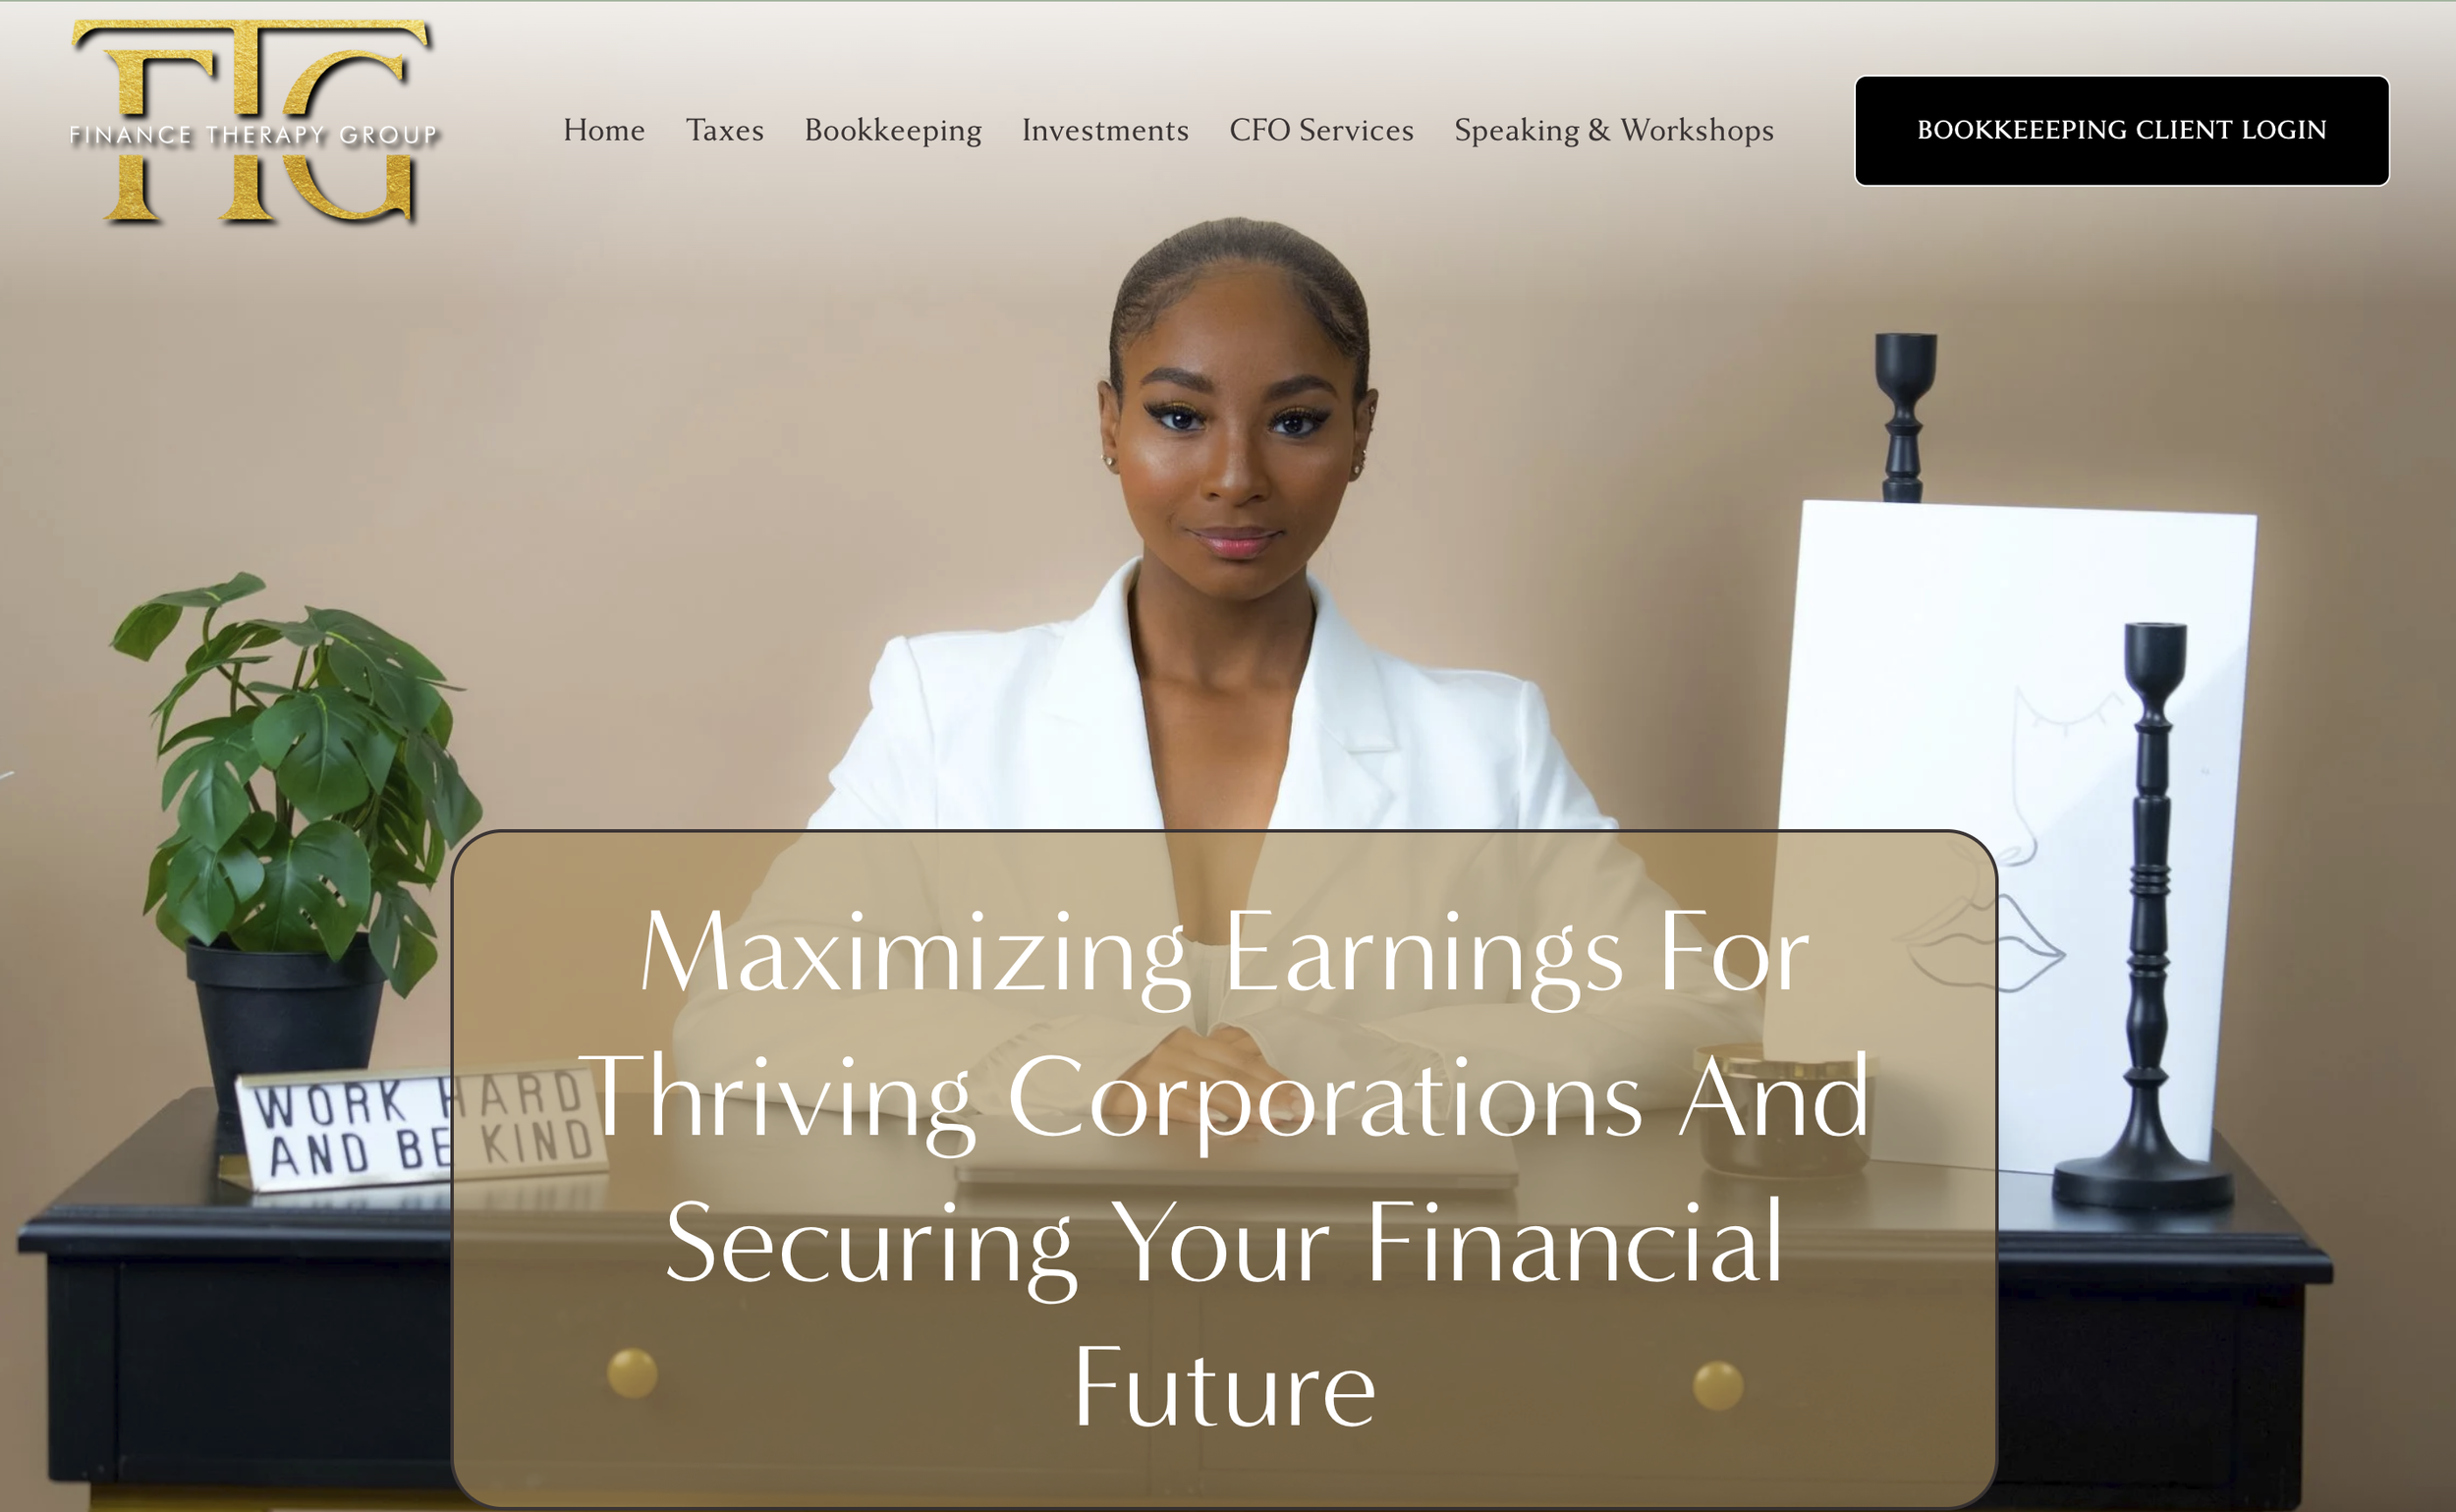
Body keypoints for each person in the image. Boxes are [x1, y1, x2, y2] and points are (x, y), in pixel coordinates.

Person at [676, 220, 1757, 1131]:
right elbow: (739, 1020)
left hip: (1366, 1321)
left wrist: (1339, 1067)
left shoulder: (1485, 743)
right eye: (1179, 417)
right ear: (1109, 424)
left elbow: (1695, 1019)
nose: (1236, 477)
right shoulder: (946, 708)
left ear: (1362, 431)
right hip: (1031, 1309)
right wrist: (1102, 1068)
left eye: (1295, 422)